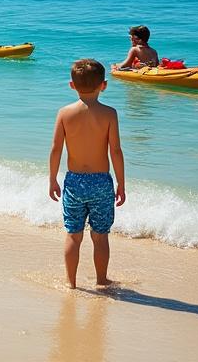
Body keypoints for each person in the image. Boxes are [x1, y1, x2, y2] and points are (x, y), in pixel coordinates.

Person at [48, 59, 125, 289]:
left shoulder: (64, 113)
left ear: (72, 85)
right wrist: (121, 183)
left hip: (74, 182)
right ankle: (101, 280)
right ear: (104, 84)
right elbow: (115, 150)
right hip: (101, 182)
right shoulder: (109, 114)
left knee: (73, 235)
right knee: (100, 236)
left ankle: (71, 283)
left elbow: (56, 149)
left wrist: (52, 179)